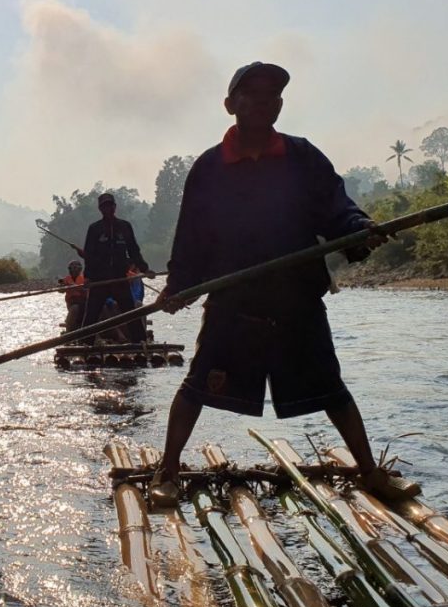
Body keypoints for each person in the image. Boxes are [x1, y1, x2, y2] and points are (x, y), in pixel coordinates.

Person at [151, 61, 421, 506]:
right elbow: (192, 237)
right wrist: (179, 284)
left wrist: (359, 231)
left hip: (296, 296)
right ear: (230, 104)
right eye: (252, 94)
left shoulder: (303, 157)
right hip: (234, 300)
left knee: (333, 389)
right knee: (197, 386)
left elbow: (337, 207)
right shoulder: (210, 168)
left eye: (272, 95)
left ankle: (370, 472)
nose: (264, 102)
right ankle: (168, 470)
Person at [81, 193, 155, 343]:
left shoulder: (125, 226)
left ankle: (140, 342)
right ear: (100, 209)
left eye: (110, 205)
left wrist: (145, 269)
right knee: (91, 314)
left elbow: (134, 250)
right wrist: (88, 277)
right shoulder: (94, 229)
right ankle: (84, 344)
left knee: (130, 313)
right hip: (99, 279)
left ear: (115, 207)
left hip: (119, 278)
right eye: (104, 206)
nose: (107, 209)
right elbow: (89, 254)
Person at [59, 260, 87, 331]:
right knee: (74, 308)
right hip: (71, 302)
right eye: (72, 269)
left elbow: (86, 290)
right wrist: (62, 287)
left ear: (79, 270)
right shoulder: (67, 279)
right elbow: (60, 289)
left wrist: (76, 287)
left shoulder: (84, 279)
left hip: (83, 302)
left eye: (75, 269)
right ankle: (69, 328)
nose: (73, 271)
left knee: (75, 308)